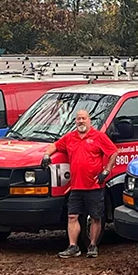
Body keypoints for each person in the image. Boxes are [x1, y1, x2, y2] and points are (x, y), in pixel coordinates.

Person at [42, 110, 117, 259]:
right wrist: (46, 155)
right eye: (78, 119)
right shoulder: (70, 137)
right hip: (75, 187)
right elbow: (55, 146)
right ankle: (73, 246)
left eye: (84, 118)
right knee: (72, 216)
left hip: (94, 186)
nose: (81, 121)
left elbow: (113, 152)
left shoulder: (99, 137)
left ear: (89, 121)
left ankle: (93, 245)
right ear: (75, 121)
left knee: (96, 217)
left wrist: (106, 171)